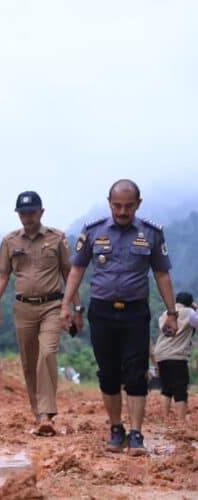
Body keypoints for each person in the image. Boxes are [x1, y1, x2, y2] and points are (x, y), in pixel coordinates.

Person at [60, 179, 178, 456]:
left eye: (128, 206)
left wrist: (172, 312)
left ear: (138, 204)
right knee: (108, 373)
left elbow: (162, 274)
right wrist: (66, 305)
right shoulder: (92, 231)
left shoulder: (151, 233)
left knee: (137, 373)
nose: (122, 211)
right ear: (109, 202)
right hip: (101, 311)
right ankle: (116, 428)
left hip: (136, 312)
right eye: (117, 206)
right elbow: (76, 269)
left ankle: (136, 433)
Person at [0, 191, 83, 436]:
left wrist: (76, 308)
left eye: (31, 212)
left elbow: (69, 273)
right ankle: (38, 413)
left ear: (41, 212)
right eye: (23, 213)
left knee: (47, 353)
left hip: (52, 306)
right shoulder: (10, 241)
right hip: (23, 308)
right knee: (29, 361)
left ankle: (47, 415)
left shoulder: (57, 238)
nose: (27, 217)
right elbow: (2, 275)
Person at [153, 292, 198, 424]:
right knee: (180, 388)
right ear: (190, 303)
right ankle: (181, 421)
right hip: (176, 356)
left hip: (161, 354)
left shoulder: (165, 313)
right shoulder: (189, 312)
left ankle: (165, 419)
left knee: (166, 388)